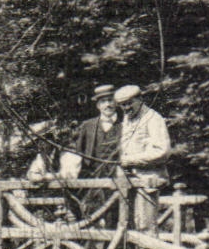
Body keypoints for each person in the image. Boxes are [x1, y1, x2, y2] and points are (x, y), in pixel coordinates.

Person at [66, 85, 129, 225]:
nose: (108, 104)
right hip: (91, 185)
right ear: (98, 105)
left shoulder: (126, 125)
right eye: (103, 101)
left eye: (110, 100)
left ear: (116, 103)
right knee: (87, 223)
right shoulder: (87, 126)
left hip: (117, 184)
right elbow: (76, 154)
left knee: (116, 223)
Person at [114, 84, 171, 232]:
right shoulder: (128, 120)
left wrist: (130, 160)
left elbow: (162, 151)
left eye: (129, 103)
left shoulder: (153, 118)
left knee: (145, 227)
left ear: (140, 99)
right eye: (122, 105)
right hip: (127, 182)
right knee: (127, 227)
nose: (126, 108)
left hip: (147, 181)